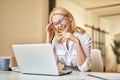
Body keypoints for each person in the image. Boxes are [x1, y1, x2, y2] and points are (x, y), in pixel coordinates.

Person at [46, 7, 91, 72]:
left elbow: (84, 68)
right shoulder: (56, 40)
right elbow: (50, 66)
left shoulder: (84, 36)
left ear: (69, 17)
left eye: (61, 21)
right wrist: (48, 39)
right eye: (55, 24)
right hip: (66, 73)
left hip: (83, 74)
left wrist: (77, 41)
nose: (59, 25)